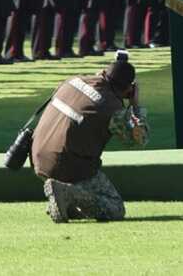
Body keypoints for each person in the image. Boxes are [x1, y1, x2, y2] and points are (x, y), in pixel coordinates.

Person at [31, 51, 148, 223]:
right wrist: (135, 105)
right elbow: (139, 139)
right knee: (115, 208)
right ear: (128, 89)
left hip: (38, 158)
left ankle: (66, 201)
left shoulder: (72, 81)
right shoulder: (113, 109)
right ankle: (67, 192)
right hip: (67, 166)